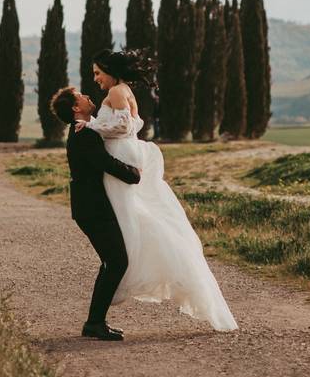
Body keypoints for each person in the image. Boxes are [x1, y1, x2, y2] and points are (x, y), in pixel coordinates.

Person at [69, 49, 238, 332]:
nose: (95, 79)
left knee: (130, 228)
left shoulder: (117, 92)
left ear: (110, 71)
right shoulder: (119, 92)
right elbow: (133, 123)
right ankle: (102, 308)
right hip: (124, 160)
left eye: (98, 73)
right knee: (136, 226)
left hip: (122, 162)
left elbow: (123, 124)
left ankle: (101, 310)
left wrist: (92, 124)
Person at [52, 87, 141, 340]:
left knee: (111, 262)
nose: (88, 96)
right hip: (92, 208)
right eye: (81, 96)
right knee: (117, 261)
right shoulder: (83, 134)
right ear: (75, 108)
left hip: (91, 207)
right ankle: (94, 323)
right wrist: (133, 174)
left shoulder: (86, 129)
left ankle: (95, 321)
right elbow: (104, 162)